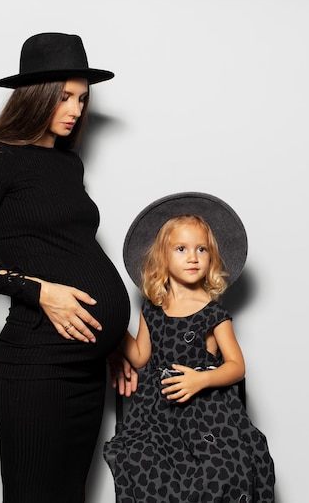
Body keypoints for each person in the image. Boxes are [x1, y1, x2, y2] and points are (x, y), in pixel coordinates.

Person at [0, 32, 137, 503]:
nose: (75, 109)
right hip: (35, 368)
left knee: (71, 494)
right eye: (65, 97)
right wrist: (39, 290)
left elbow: (73, 248)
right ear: (37, 96)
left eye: (82, 98)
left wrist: (110, 341)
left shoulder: (67, 165)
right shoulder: (1, 158)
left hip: (88, 367)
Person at [104, 192, 275, 502]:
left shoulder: (212, 312)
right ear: (162, 258)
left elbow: (237, 366)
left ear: (212, 257)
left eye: (201, 249)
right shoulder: (152, 308)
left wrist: (202, 379)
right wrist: (112, 326)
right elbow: (141, 357)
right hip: (157, 414)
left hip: (207, 414)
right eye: (181, 249)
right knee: (147, 467)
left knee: (220, 472)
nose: (193, 257)